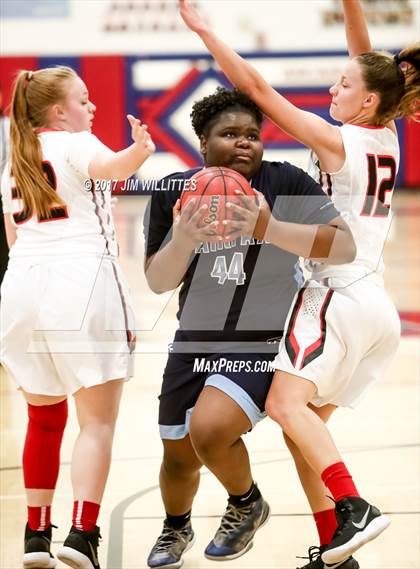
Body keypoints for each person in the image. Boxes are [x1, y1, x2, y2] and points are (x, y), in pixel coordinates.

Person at [179, 0, 420, 567]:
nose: (332, 89)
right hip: (374, 308)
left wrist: (208, 32)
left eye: (342, 84)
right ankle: (339, 547)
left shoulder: (343, 141)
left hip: (333, 295)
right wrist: (351, 5)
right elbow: (365, 62)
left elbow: (260, 90)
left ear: (367, 100)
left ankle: (353, 506)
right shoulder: (385, 134)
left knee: (287, 405)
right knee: (302, 430)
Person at [143, 86, 355, 569]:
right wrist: (183, 237)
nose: (244, 143)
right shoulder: (174, 191)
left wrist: (269, 227)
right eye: (229, 134)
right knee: (178, 456)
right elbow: (158, 281)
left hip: (263, 337)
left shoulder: (287, 183)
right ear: (202, 142)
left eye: (252, 135)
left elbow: (343, 247)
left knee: (211, 429)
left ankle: (245, 502)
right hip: (193, 339)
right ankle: (176, 526)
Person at [0, 66, 155, 569]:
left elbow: (14, 240)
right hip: (81, 281)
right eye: (83, 101)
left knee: (43, 418)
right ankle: (83, 533)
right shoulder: (75, 142)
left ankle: (35, 534)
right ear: (57, 111)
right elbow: (114, 168)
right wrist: (140, 150)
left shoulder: (15, 162)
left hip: (22, 287)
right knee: (97, 422)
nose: (91, 109)